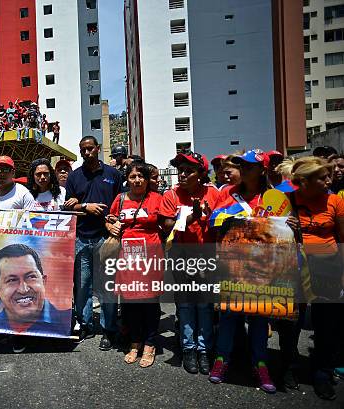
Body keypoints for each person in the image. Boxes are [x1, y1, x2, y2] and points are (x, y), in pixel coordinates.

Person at [208, 149, 276, 394]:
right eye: (242, 164)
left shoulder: (273, 197)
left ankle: (260, 365)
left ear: (262, 170)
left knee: (259, 318)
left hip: (262, 268)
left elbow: (284, 231)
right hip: (232, 265)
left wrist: (290, 225)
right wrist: (232, 216)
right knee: (229, 316)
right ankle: (221, 360)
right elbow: (213, 221)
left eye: (249, 165)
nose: (244, 168)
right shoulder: (228, 193)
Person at [286, 156, 344, 400]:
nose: (329, 181)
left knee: (326, 323)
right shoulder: (287, 201)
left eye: (329, 175)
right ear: (304, 182)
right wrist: (287, 227)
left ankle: (322, 371)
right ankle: (289, 367)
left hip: (327, 265)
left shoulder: (335, 201)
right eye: (323, 177)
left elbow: (341, 238)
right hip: (294, 266)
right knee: (291, 321)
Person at [159, 150, 219, 375]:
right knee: (184, 304)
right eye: (180, 170)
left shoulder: (214, 194)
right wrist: (193, 215)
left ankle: (205, 350)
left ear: (201, 174)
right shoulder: (171, 195)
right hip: (180, 257)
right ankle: (188, 349)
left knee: (204, 305)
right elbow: (166, 226)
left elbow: (223, 226)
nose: (182, 175)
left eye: (188, 171)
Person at [65, 136, 123, 348]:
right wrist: (85, 206)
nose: (87, 152)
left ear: (98, 149)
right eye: (83, 150)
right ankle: (85, 324)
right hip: (81, 238)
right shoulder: (74, 177)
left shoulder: (113, 174)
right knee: (82, 286)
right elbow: (69, 207)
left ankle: (109, 329)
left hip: (106, 238)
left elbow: (121, 204)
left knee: (107, 285)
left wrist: (112, 224)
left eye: (91, 148)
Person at [105, 161, 163, 368]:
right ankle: (135, 341)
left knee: (150, 303)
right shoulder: (120, 199)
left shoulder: (157, 199)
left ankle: (150, 343)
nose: (137, 180)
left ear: (148, 180)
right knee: (130, 303)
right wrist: (110, 226)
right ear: (127, 180)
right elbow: (109, 219)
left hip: (151, 256)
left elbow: (167, 224)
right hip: (127, 257)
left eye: (141, 176)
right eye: (132, 177)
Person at [0, 155, 35, 352]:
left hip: (17, 251)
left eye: (6, 169)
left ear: (13, 172)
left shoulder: (23, 193)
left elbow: (32, 221)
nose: (2, 173)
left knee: (18, 293)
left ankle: (19, 335)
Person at [0, 244, 71, 335]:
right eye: (12, 280)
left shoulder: (67, 323)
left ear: (43, 282)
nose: (23, 289)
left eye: (31, 277)